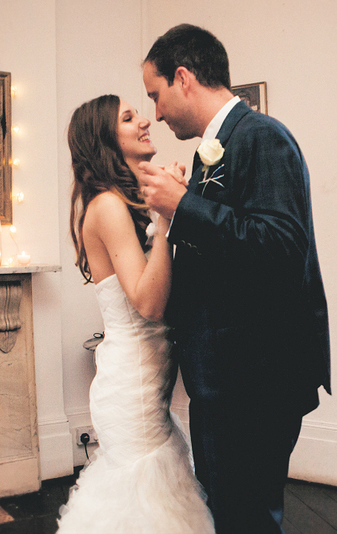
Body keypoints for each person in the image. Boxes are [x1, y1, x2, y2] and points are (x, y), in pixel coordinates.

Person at [138, 24, 331, 533]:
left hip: (256, 378)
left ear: (183, 78)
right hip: (226, 377)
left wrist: (184, 207)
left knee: (248, 518)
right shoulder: (216, 146)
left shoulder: (263, 137)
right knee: (231, 512)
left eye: (155, 95)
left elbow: (284, 248)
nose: (155, 112)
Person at [57, 94, 214, 533]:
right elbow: (148, 302)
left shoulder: (123, 200)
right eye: (129, 117)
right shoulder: (106, 206)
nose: (146, 120)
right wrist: (165, 220)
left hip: (148, 379)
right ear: (105, 139)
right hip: (132, 386)